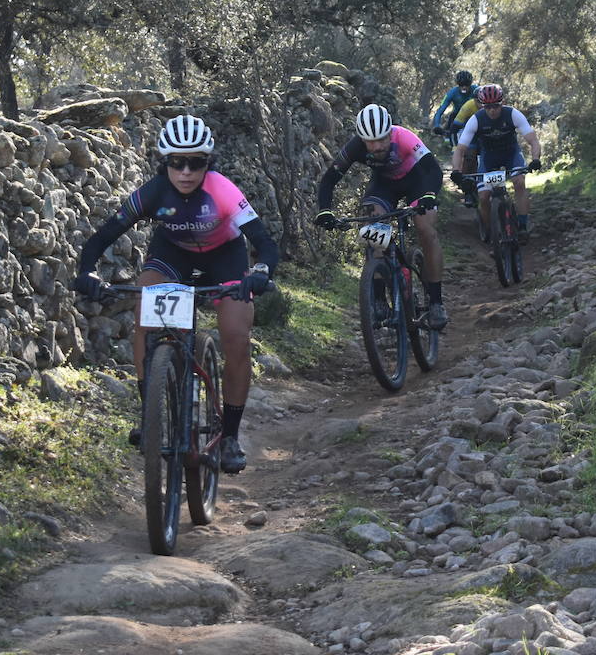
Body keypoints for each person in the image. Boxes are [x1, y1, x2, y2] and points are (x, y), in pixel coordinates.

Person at [72, 114, 279, 474]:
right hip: (172, 256)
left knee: (235, 337)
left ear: (207, 164)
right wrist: (86, 271)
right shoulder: (153, 192)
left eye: (195, 163)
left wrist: (261, 271)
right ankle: (150, 411)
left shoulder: (223, 191)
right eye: (176, 163)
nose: (185, 172)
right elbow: (103, 236)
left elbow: (263, 242)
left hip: (225, 259)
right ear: (164, 163)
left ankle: (229, 436)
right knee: (145, 308)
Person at [314, 103, 449, 331]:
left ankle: (436, 302)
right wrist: (325, 210)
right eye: (370, 142)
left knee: (425, 229)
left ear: (390, 133)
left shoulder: (404, 138)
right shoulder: (356, 147)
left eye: (381, 140)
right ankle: (378, 300)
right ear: (362, 139)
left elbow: (432, 169)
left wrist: (428, 195)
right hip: (384, 186)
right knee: (373, 231)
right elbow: (329, 180)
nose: (376, 147)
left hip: (417, 182)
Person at [449, 84, 542, 242]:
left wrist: (535, 159)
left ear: (502, 103)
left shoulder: (513, 114)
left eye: (496, 106)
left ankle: (522, 226)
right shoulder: (476, 119)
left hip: (511, 154)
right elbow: (460, 150)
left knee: (519, 182)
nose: (492, 110)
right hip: (488, 158)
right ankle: (490, 231)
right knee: (484, 196)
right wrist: (456, 171)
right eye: (488, 106)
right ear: (482, 105)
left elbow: (533, 140)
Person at [430, 70, 478, 144]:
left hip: (474, 115)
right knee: (451, 129)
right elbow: (440, 111)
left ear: (470, 84)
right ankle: (449, 144)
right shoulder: (452, 92)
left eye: (467, 85)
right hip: (456, 115)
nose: (464, 87)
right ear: (458, 84)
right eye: (461, 85)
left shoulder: (477, 89)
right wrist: (437, 125)